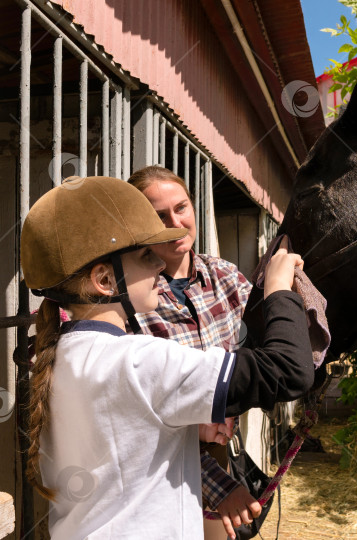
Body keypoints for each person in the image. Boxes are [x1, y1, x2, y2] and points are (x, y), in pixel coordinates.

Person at [20, 176, 312, 539]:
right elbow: (288, 372)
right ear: (105, 280)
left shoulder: (59, 355)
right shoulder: (142, 361)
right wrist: (279, 287)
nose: (158, 265)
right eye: (144, 256)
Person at [127, 166, 257, 539]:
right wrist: (221, 487)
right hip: (160, 464)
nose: (175, 223)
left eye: (181, 208)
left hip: (218, 451)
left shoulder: (226, 277)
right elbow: (146, 419)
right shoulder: (136, 301)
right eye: (159, 216)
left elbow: (261, 356)